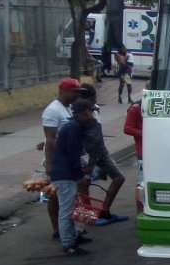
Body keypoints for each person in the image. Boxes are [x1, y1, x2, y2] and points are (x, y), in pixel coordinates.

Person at [78, 83, 128, 226]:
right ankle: (89, 215)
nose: (95, 102)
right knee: (84, 183)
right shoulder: (77, 112)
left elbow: (97, 136)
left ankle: (104, 212)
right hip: (86, 153)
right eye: (92, 99)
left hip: (99, 151)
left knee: (118, 178)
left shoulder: (95, 110)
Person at [41, 78, 86, 240]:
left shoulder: (68, 108)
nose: (77, 96)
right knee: (55, 197)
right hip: (58, 160)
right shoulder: (52, 110)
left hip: (68, 159)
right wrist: (50, 163)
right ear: (65, 91)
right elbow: (50, 139)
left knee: (69, 197)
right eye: (75, 92)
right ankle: (58, 230)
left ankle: (69, 230)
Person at [50, 98, 95, 256]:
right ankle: (68, 244)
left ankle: (72, 237)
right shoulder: (74, 128)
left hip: (64, 173)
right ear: (85, 112)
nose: (92, 115)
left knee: (69, 209)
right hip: (65, 175)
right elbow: (72, 155)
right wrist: (79, 175)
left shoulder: (72, 126)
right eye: (91, 112)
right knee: (67, 211)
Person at [124, 87, 144, 185]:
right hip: (143, 150)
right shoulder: (136, 108)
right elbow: (127, 128)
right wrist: (146, 134)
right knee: (142, 179)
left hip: (159, 148)